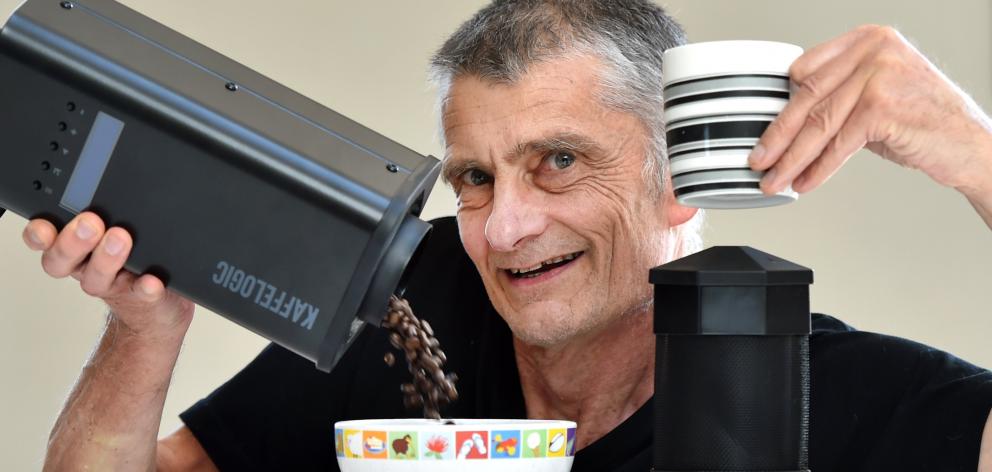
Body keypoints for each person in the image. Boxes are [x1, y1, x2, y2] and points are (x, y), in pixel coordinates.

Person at [23, 1, 992, 471]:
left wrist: (975, 158)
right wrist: (142, 329)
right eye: (474, 179)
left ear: (675, 181)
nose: (504, 227)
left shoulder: (816, 390)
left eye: (558, 161)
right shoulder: (420, 306)